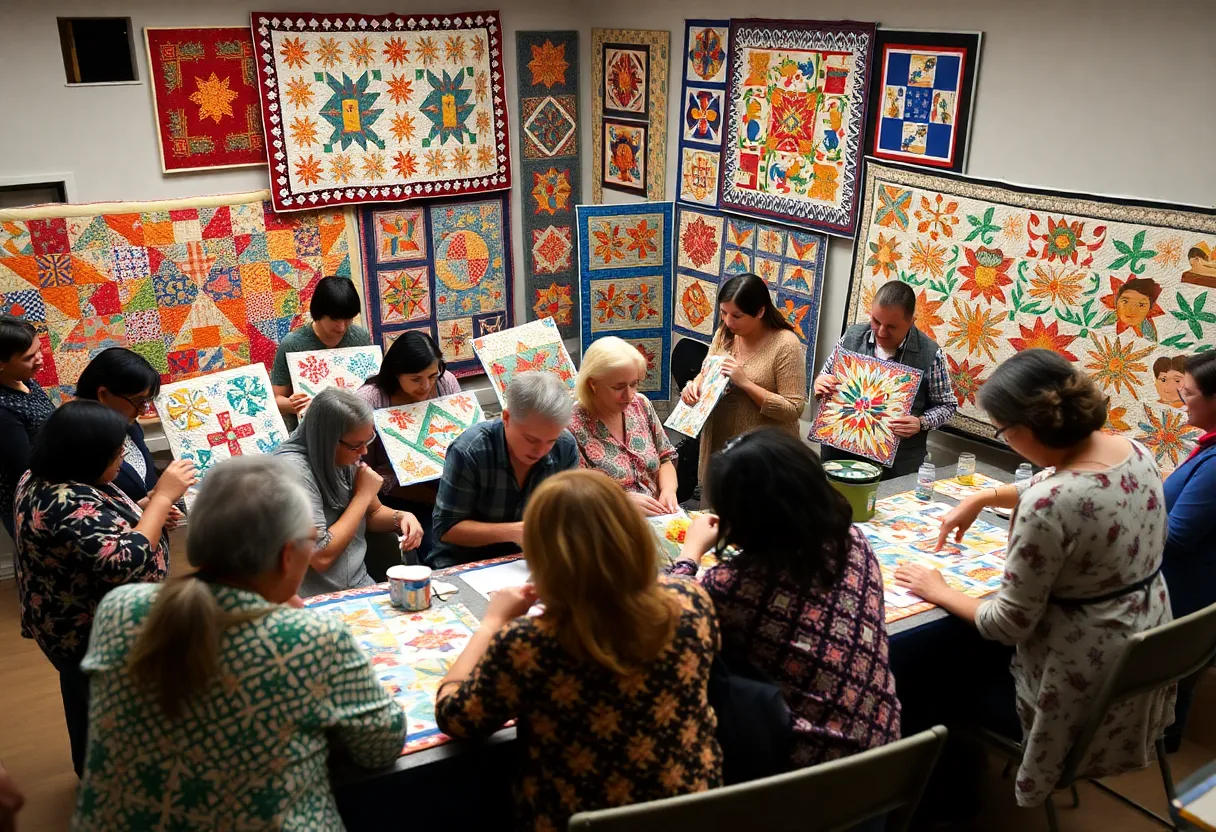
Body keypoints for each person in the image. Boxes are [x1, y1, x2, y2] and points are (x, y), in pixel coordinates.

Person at [894, 349, 1174, 808]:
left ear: (1026, 430)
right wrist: (987, 495)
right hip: (1139, 641)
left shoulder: (1047, 505)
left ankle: (942, 799)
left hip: (1072, 675)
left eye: (1002, 431)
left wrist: (937, 589)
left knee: (924, 668)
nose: (1004, 439)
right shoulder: (1133, 450)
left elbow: (1007, 625)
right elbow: (1062, 476)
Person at [70, 456, 406, 831]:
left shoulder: (119, 610)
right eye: (310, 541)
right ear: (286, 556)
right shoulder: (312, 638)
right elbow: (381, 744)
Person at [435, 469, 722, 830]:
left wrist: (492, 623)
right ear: (633, 536)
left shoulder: (528, 643)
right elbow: (667, 591)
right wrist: (689, 556)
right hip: (692, 815)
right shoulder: (692, 602)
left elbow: (455, 717)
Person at [672, 428, 900, 769]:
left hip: (801, 786)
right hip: (887, 758)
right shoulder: (852, 540)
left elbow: (667, 614)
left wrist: (690, 553)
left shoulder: (732, 584)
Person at [12, 400, 195, 777]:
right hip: (88, 631)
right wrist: (160, 499)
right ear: (85, 457)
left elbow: (101, 521)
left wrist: (147, 511)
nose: (121, 462)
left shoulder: (44, 474)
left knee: (84, 700)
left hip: (69, 626)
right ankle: (122, 787)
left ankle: (92, 772)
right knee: (114, 708)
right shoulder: (61, 499)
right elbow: (122, 560)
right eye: (116, 455)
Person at [275, 387, 423, 597]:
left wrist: (401, 517)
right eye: (357, 446)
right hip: (315, 599)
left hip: (359, 583)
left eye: (367, 442)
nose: (364, 452)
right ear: (328, 440)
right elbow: (320, 557)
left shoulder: (342, 454)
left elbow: (372, 514)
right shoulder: (293, 473)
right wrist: (363, 495)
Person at [430, 371, 578, 568]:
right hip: (463, 562)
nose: (541, 451)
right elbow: (446, 529)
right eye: (531, 439)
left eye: (550, 441)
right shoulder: (470, 450)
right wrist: (515, 531)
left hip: (530, 561)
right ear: (506, 417)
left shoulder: (565, 446)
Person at [813, 280, 957, 478]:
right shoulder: (851, 337)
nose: (881, 332)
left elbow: (948, 406)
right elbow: (825, 375)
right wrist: (820, 383)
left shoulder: (931, 354)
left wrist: (921, 422)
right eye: (876, 321)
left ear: (911, 321)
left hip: (897, 467)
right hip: (840, 458)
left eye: (891, 327)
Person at [679, 274, 807, 487]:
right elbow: (706, 371)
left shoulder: (785, 345)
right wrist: (693, 386)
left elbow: (793, 409)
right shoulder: (725, 333)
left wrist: (745, 383)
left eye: (737, 316)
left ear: (760, 312)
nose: (728, 322)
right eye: (723, 313)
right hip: (722, 450)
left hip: (763, 459)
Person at [357, 330, 461, 562]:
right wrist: (420, 494)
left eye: (432, 375)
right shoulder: (370, 399)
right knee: (437, 548)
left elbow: (461, 441)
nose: (425, 385)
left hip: (445, 488)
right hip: (393, 494)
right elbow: (361, 468)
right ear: (396, 373)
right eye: (416, 379)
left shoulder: (446, 383)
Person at [1162, 351, 1216, 750]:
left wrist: (1123, 513)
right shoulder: (1208, 447)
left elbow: (1177, 535)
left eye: (1188, 395)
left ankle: (1159, 736)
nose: (1181, 402)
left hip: (1182, 594)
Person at [571, 336, 678, 516]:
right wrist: (619, 501)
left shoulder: (641, 405)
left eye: (634, 384)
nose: (628, 395)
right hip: (610, 526)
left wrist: (668, 491)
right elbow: (574, 494)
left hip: (657, 518)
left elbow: (665, 458)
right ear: (593, 384)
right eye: (618, 387)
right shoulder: (573, 425)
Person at [74, 348, 180, 517]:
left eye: (147, 401)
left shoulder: (129, 424)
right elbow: (98, 515)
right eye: (139, 400)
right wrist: (148, 510)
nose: (144, 410)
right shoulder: (81, 444)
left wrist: (154, 500)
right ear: (103, 394)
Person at [270, 276, 372, 425]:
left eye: (348, 319)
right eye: (334, 319)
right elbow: (276, 400)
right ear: (319, 313)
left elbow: (372, 387)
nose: (342, 327)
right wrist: (291, 404)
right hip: (309, 428)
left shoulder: (360, 338)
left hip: (352, 426)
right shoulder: (293, 344)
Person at [0, 315, 55, 540]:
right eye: (29, 357)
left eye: (39, 349)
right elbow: (24, 470)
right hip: (33, 504)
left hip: (49, 491)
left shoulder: (24, 380)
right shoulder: (3, 410)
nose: (40, 360)